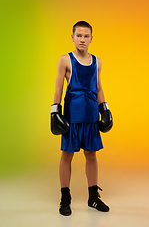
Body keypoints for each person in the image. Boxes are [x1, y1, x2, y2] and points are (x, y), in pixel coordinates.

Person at [51, 21, 113, 216]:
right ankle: (65, 197)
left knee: (91, 155)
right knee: (67, 155)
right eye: (79, 35)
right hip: (72, 116)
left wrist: (105, 109)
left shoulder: (97, 61)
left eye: (86, 36)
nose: (82, 39)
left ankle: (93, 197)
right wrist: (55, 112)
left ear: (91, 39)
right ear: (72, 37)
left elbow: (99, 88)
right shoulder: (65, 60)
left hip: (91, 115)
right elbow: (59, 88)